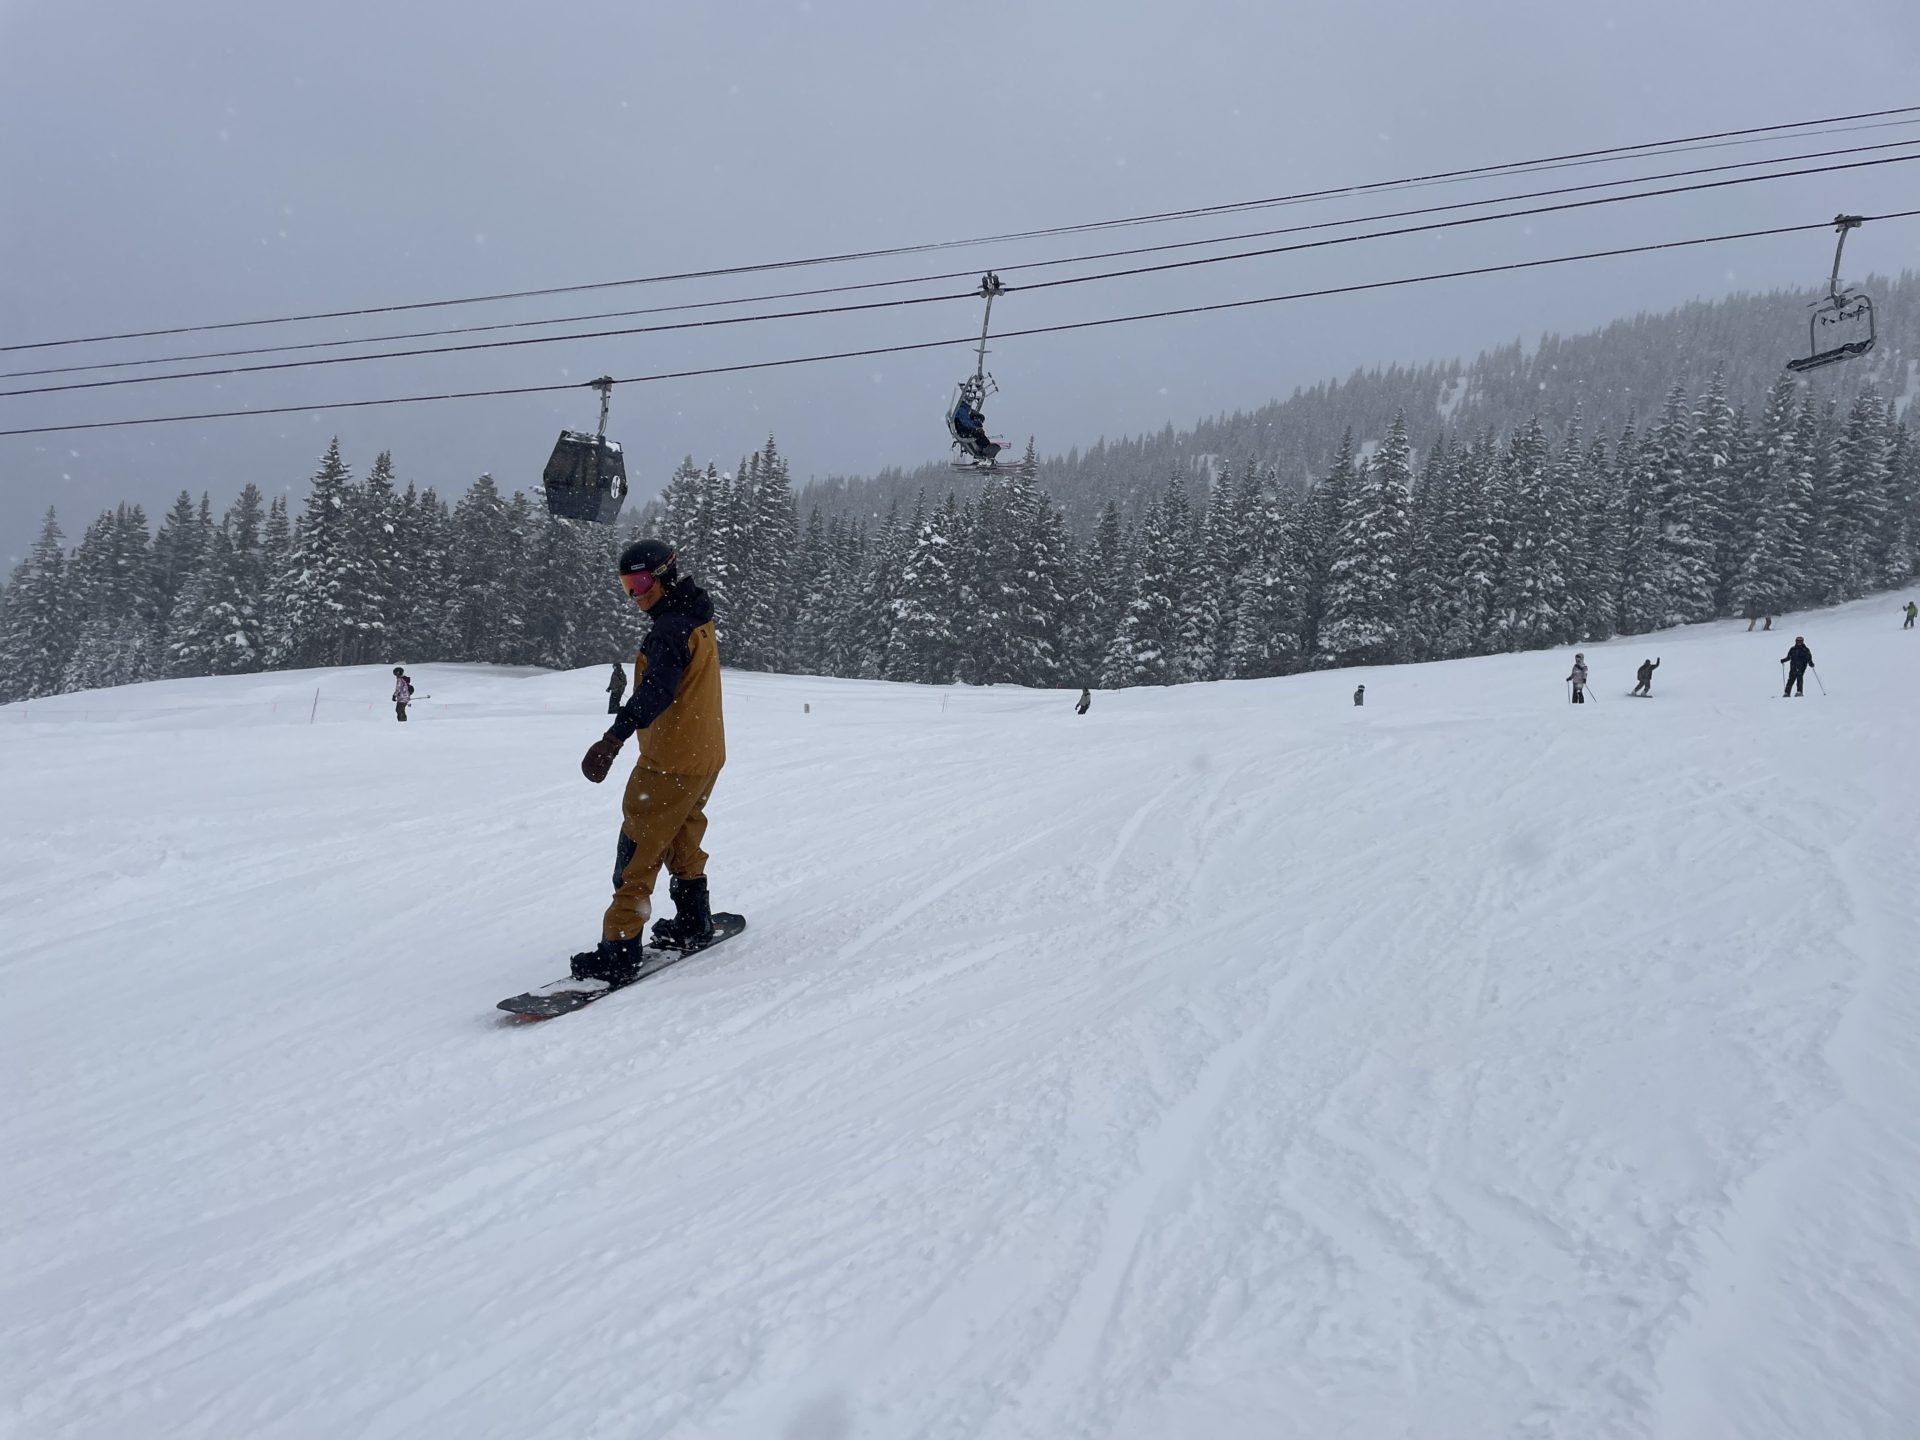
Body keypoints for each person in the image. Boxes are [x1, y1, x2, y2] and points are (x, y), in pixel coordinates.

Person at [572, 540, 727, 985]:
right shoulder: (698, 613)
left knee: (637, 848)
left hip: (670, 760)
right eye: (627, 585)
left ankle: (619, 950)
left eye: (640, 582)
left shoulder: (670, 628)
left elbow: (657, 690)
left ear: (664, 574)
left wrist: (612, 738)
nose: (634, 594)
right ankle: (694, 920)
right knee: (682, 832)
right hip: (705, 755)